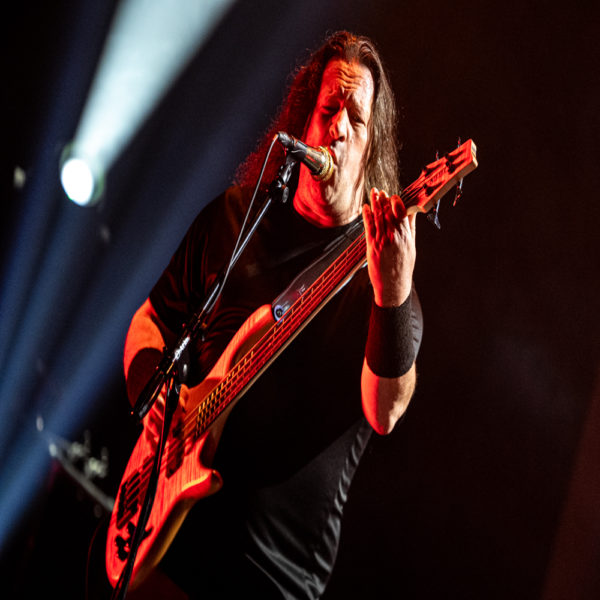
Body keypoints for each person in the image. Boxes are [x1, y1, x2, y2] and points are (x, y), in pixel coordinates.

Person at [123, 31, 423, 599]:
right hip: (172, 540)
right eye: (328, 109)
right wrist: (153, 394)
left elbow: (385, 411)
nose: (337, 128)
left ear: (371, 150)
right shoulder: (236, 218)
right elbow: (150, 320)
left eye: (356, 119)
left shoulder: (379, 281)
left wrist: (394, 292)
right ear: (304, 122)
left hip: (272, 575)